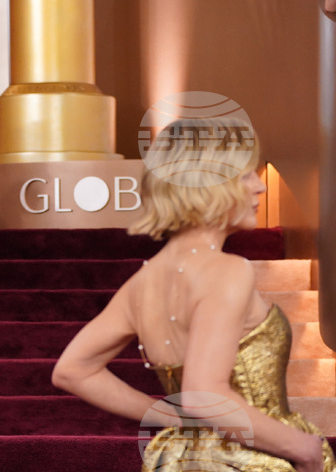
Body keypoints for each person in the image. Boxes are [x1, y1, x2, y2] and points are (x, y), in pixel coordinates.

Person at [51, 118, 334, 471]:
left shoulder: (141, 282)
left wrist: (173, 418)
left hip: (178, 460)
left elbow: (72, 370)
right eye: (246, 174)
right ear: (210, 184)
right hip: (249, 461)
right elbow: (204, 394)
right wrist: (302, 448)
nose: (260, 187)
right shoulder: (228, 270)